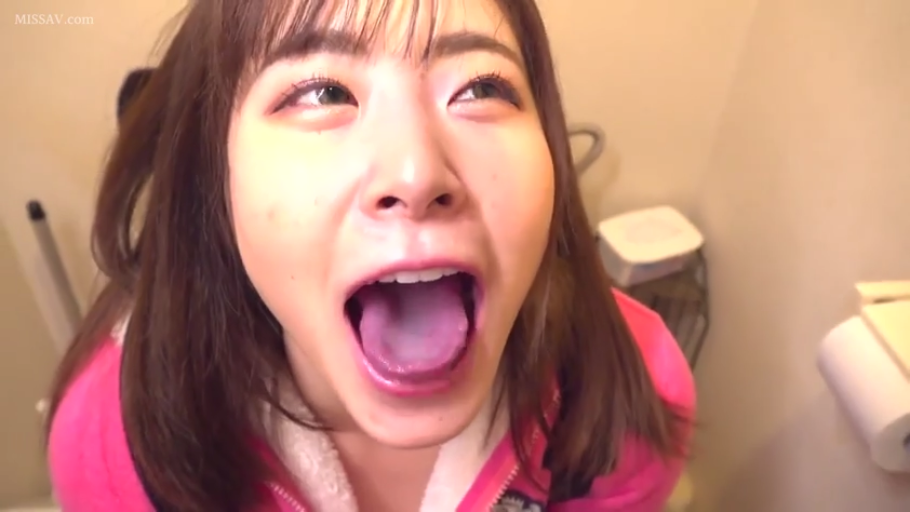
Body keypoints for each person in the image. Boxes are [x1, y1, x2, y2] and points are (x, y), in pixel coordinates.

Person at [45, 0, 696, 511]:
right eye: (323, 92)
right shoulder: (113, 442)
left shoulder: (627, 398)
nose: (416, 172)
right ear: (215, 178)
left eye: (480, 87)